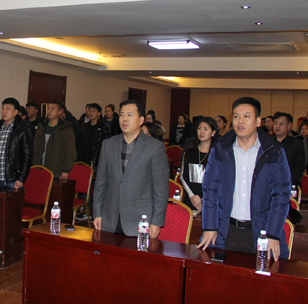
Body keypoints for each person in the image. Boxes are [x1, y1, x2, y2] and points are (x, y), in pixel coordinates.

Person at [198, 97, 291, 260]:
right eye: (236, 116)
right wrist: (209, 226)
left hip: (261, 233)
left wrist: (273, 234)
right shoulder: (220, 149)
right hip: (224, 230)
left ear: (258, 121)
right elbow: (210, 190)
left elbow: (281, 196)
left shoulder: (273, 152)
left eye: (246, 116)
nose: (240, 121)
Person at [93, 99, 169, 237]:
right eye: (122, 115)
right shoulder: (108, 144)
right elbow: (100, 183)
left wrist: (156, 221)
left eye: (130, 115)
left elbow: (161, 188)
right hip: (109, 218)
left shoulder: (155, 147)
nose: (124, 119)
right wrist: (97, 213)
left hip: (140, 219)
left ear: (141, 120)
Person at [0, 98, 32, 188]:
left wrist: (21, 178)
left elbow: (27, 157)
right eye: (3, 108)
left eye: (8, 108)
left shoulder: (22, 130)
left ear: (15, 112)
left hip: (12, 179)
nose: (4, 111)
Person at [179, 117, 217, 212]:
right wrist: (193, 197)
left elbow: (218, 180)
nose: (201, 132)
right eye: (199, 128)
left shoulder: (217, 155)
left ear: (213, 133)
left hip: (209, 200)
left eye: (205, 129)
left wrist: (202, 199)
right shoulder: (189, 152)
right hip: (191, 199)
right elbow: (183, 177)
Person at [32, 102, 76, 180]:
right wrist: (34, 166)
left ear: (59, 112)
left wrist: (66, 170)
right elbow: (36, 149)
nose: (49, 111)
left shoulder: (65, 129)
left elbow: (70, 152)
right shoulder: (41, 127)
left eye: (53, 109)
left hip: (57, 171)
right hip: (40, 169)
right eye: (48, 108)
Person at [273, 112, 305, 187]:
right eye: (275, 123)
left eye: (281, 124)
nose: (277, 126)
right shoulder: (266, 143)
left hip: (289, 185)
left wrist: (285, 181)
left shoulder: (297, 144)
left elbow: (299, 167)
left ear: (289, 126)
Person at [77, 103, 111, 167]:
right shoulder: (83, 126)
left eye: (93, 111)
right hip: (83, 159)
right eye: (89, 111)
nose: (91, 113)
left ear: (99, 114)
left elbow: (107, 145)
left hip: (97, 160)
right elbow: (79, 144)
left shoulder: (104, 127)